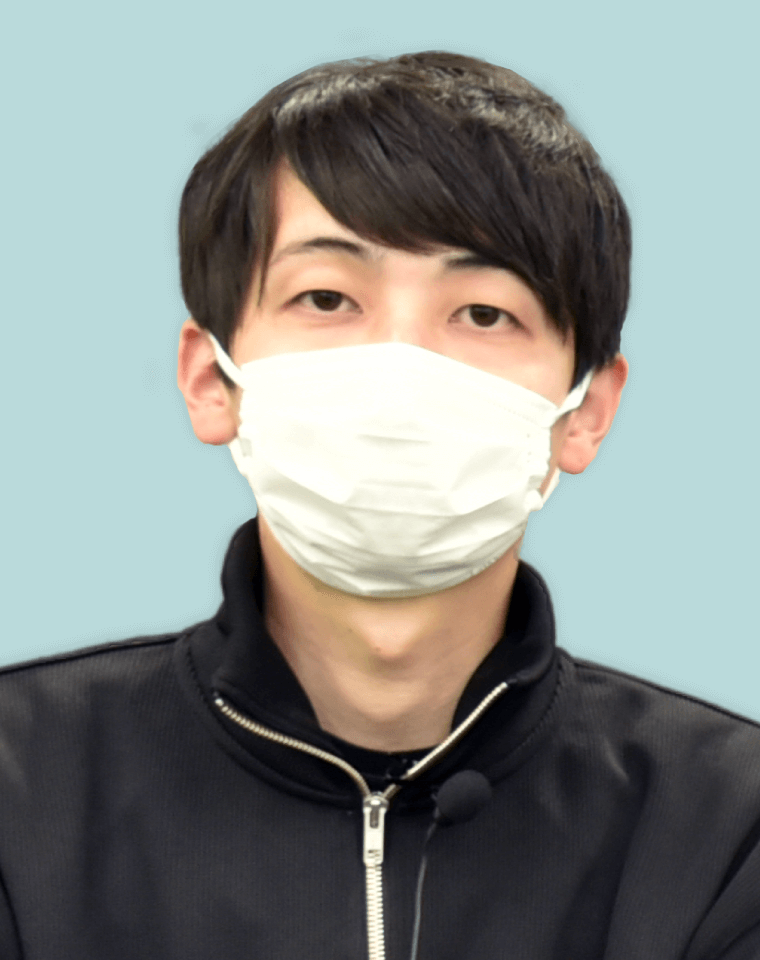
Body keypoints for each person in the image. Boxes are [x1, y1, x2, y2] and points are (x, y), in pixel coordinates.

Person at [1, 51, 759, 960]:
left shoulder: (726, 827)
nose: (402, 371)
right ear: (211, 381)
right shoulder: (22, 788)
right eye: (327, 298)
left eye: (483, 314)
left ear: (585, 412)